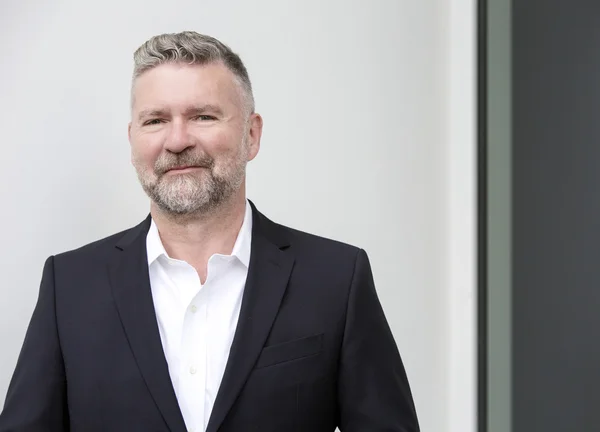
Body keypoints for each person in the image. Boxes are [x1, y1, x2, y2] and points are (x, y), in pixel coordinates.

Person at [0, 31, 419, 432]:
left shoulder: (336, 279)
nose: (177, 140)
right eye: (155, 120)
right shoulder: (69, 286)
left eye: (202, 116)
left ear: (251, 135)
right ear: (133, 141)